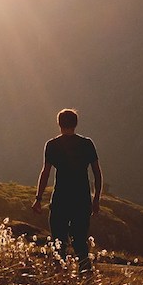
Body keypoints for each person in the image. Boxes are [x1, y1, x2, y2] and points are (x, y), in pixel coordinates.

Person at [31, 109, 102, 272]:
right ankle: (85, 281)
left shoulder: (52, 145)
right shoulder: (87, 144)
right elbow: (97, 173)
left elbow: (46, 172)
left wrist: (38, 198)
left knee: (58, 243)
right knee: (80, 243)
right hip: (82, 199)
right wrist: (96, 199)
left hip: (60, 199)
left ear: (59, 124)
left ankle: (59, 279)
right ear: (76, 124)